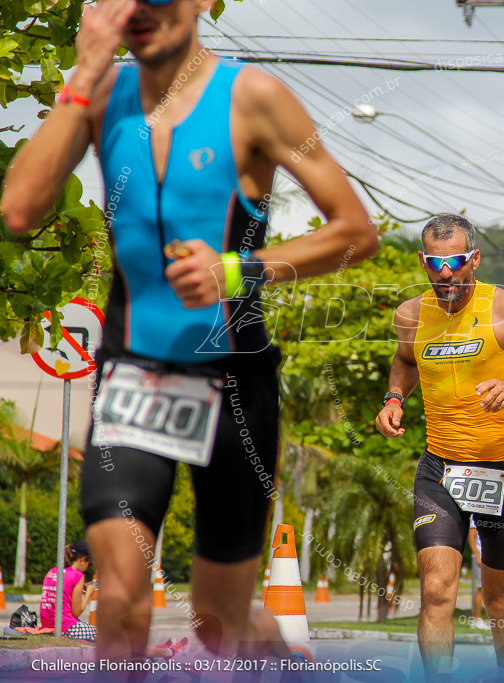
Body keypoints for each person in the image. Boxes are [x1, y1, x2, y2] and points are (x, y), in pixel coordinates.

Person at [1, 0, 379, 663]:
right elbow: (20, 209)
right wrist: (83, 74)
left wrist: (239, 270)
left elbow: (356, 231)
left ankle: (287, 666)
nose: (141, 10)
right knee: (119, 597)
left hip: (234, 379)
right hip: (133, 373)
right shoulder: (100, 96)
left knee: (218, 623)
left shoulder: (255, 96)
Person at [374, 214, 504, 681]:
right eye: (436, 263)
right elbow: (405, 360)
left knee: (501, 597)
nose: (446, 273)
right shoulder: (410, 314)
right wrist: (394, 398)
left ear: (474, 259)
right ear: (423, 262)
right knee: (437, 588)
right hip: (440, 469)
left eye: (456, 261)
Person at [40, 541, 98, 642]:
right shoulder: (78, 576)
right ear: (83, 560)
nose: (87, 567)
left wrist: (81, 587)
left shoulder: (52, 571)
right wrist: (89, 594)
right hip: (67, 628)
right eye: (88, 563)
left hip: (47, 625)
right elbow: (76, 612)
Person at [467, 520, 488, 630]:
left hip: (490, 557)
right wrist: (477, 555)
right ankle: (476, 620)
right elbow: (471, 537)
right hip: (480, 557)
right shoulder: (475, 518)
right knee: (482, 588)